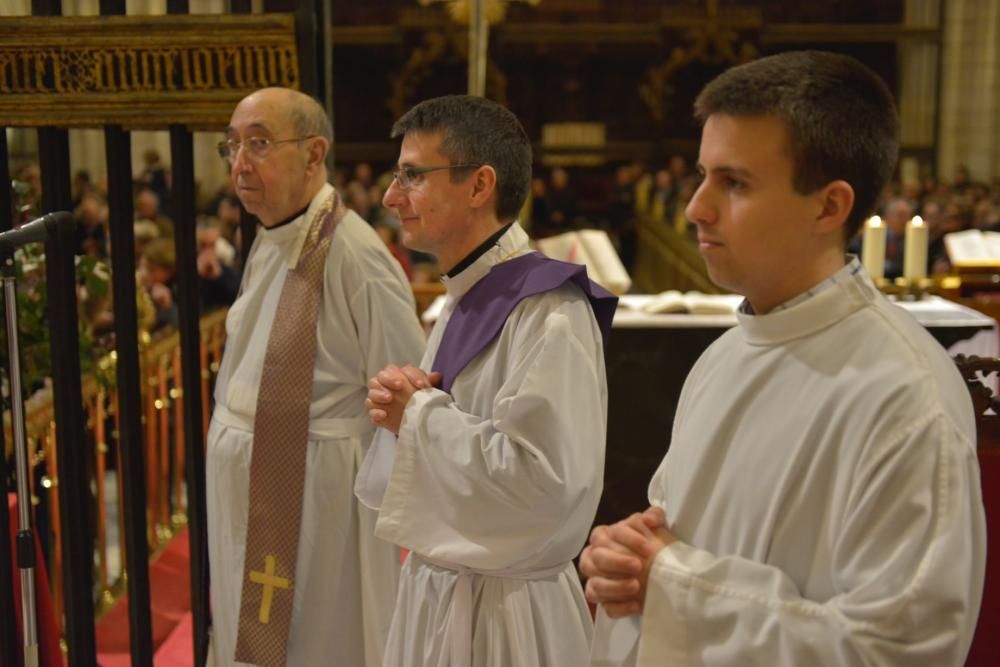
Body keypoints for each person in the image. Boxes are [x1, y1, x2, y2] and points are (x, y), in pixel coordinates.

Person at [581, 50, 986, 667]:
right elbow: (674, 537)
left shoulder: (906, 399)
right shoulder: (723, 355)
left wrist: (672, 582)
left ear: (829, 207)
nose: (696, 208)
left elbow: (898, 651)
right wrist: (627, 559)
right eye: (702, 174)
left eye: (734, 183)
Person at [354, 94, 618, 667]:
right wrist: (405, 410)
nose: (391, 197)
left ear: (479, 187)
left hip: (510, 618)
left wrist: (417, 416)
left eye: (412, 175)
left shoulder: (548, 310)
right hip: (442, 592)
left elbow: (546, 488)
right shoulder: (464, 296)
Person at [206, 87, 425, 667]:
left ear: (313, 152)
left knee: (321, 642)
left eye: (259, 143)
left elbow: (408, 389)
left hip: (319, 502)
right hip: (247, 497)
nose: (241, 163)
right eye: (232, 146)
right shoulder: (269, 237)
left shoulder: (355, 254)